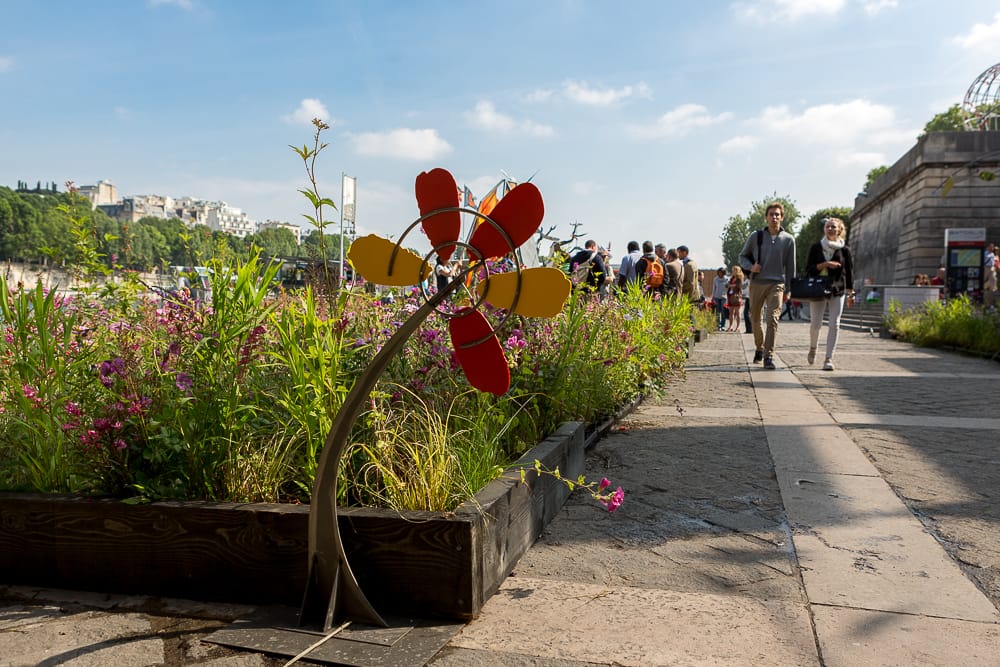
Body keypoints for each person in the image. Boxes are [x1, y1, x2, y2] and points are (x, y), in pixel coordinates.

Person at [739, 202, 796, 370]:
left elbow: (791, 268)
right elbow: (742, 256)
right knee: (755, 318)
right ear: (766, 217)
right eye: (771, 214)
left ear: (782, 217)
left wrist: (789, 289)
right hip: (757, 283)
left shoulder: (788, 240)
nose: (774, 217)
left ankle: (768, 355)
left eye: (777, 214)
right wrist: (751, 267)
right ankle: (759, 347)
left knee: (772, 319)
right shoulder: (756, 236)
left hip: (777, 283)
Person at [804, 217, 854, 371]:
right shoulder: (816, 247)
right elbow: (808, 270)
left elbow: (850, 272)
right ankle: (813, 348)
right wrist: (825, 264)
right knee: (816, 324)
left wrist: (851, 293)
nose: (830, 229)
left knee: (835, 324)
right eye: (828, 226)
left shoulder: (845, 250)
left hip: (837, 289)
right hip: (818, 289)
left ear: (840, 230)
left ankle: (828, 358)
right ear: (824, 229)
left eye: (833, 227)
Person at [726, 266, 745, 332]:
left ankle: (738, 327)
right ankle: (730, 326)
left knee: (737, 312)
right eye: (732, 270)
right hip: (731, 296)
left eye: (733, 270)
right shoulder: (732, 278)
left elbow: (739, 285)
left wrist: (730, 285)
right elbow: (729, 285)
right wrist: (729, 285)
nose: (732, 272)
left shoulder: (740, 278)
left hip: (737, 297)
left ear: (737, 271)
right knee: (731, 312)